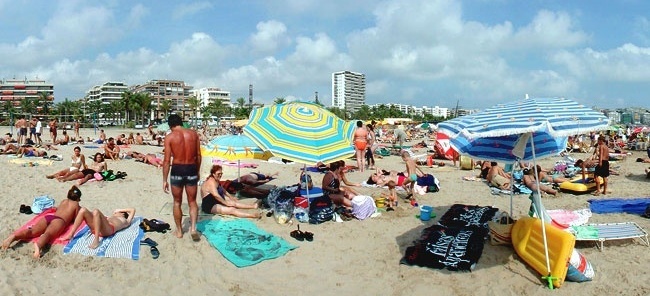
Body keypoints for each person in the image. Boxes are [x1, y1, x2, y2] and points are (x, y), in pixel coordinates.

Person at [2, 186, 82, 258]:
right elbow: (75, 218)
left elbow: (58, 209)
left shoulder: (64, 201)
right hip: (59, 221)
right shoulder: (76, 205)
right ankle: (38, 246)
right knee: (48, 234)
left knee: (32, 231)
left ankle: (13, 237)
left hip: (50, 217)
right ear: (78, 198)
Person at [163, 114, 201, 240]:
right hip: (191, 168)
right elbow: (198, 155)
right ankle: (194, 228)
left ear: (170, 125)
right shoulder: (193, 134)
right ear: (181, 122)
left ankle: (179, 231)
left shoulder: (169, 137)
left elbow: (167, 161)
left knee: (177, 202)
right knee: (192, 201)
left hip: (178, 169)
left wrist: (164, 179)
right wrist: (198, 170)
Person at [63, 207, 135, 249]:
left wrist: (119, 210)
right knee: (83, 210)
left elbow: (133, 210)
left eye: (116, 213)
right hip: (98, 228)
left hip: (109, 230)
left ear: (122, 213)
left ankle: (96, 240)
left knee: (96, 211)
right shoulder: (111, 217)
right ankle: (71, 234)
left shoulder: (126, 221)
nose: (114, 213)